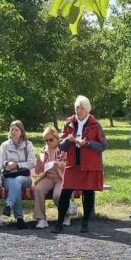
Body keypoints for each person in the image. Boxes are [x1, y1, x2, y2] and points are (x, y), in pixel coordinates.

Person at [55, 95, 106, 234]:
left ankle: (85, 223)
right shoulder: (68, 123)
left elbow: (102, 145)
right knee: (65, 192)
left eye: (82, 108)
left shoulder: (95, 125)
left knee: (88, 193)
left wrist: (87, 143)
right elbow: (61, 145)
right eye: (77, 107)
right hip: (72, 164)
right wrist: (67, 140)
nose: (79, 110)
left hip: (89, 164)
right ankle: (59, 223)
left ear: (87, 109)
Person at [0, 120, 35, 229]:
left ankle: (9, 204)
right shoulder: (4, 145)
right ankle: (19, 219)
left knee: (18, 181)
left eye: (16, 130)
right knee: (15, 185)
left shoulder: (28, 145)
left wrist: (17, 165)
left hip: (24, 177)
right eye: (12, 129)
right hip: (9, 177)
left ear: (21, 132)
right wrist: (7, 164)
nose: (14, 132)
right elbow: (0, 162)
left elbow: (31, 163)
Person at [31, 126, 66, 230]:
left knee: (57, 195)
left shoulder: (63, 148)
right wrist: (38, 165)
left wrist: (58, 164)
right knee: (38, 189)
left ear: (56, 138)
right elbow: (40, 170)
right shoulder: (44, 150)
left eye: (50, 139)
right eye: (45, 140)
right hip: (48, 176)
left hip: (61, 177)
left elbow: (69, 164)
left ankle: (65, 214)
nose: (48, 142)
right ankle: (41, 219)